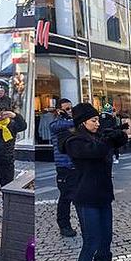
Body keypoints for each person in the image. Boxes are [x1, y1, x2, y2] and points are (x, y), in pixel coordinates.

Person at [58, 102, 129, 261]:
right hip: (85, 195)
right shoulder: (73, 139)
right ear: (83, 122)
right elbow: (94, 152)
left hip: (103, 194)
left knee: (106, 236)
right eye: (93, 120)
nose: (97, 123)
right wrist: (107, 139)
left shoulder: (97, 135)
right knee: (91, 240)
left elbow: (119, 141)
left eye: (98, 120)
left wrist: (116, 133)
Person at [49, 98, 79, 237]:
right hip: (64, 166)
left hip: (76, 165)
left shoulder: (70, 123)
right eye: (67, 109)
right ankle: (64, 225)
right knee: (66, 197)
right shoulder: (56, 123)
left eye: (71, 108)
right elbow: (57, 126)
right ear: (59, 110)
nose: (70, 111)